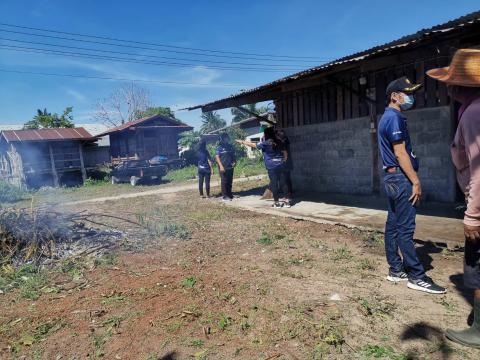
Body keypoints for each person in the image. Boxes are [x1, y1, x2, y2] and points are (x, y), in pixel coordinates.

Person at [427, 48, 480, 348]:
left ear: (463, 85)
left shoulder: (474, 112)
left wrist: (473, 215)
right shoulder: (471, 109)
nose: (447, 86)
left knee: (477, 267)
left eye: (451, 81)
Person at [378, 76, 446, 294]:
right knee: (405, 228)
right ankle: (416, 276)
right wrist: (415, 181)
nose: (411, 97)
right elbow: (400, 152)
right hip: (401, 178)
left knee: (393, 223)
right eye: (407, 93)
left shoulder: (387, 117)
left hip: (391, 177)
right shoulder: (394, 118)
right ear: (394, 96)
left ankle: (395, 269)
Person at [237, 127, 290, 208]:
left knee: (274, 184)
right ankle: (287, 202)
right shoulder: (279, 141)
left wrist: (242, 142)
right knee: (284, 183)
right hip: (281, 164)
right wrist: (283, 161)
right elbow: (285, 153)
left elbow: (253, 145)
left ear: (266, 134)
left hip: (271, 166)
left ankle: (277, 203)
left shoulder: (266, 143)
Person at [215, 133, 236, 201]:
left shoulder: (230, 146)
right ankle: (224, 196)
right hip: (223, 167)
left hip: (230, 166)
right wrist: (221, 166)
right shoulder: (219, 147)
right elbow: (217, 157)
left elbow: (233, 155)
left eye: (227, 137)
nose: (226, 139)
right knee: (224, 181)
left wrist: (234, 162)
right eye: (225, 138)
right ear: (222, 139)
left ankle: (229, 194)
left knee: (230, 181)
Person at [276, 129, 294, 200]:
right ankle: (289, 193)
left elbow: (284, 153)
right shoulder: (286, 140)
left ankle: (288, 195)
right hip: (288, 163)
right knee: (287, 179)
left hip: (285, 163)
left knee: (285, 180)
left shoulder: (283, 142)